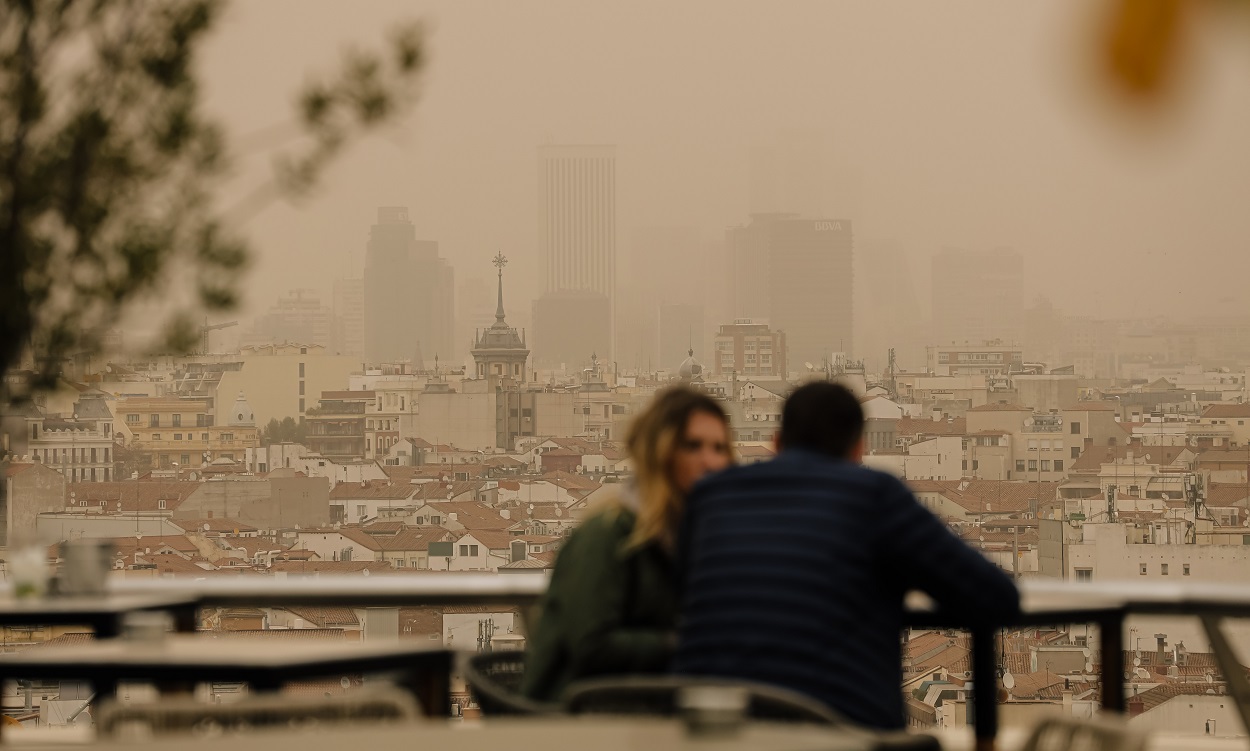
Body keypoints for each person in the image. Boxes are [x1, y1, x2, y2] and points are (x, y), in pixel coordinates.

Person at [673, 381, 1019, 731]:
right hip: (840, 729)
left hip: (713, 729)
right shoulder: (874, 496)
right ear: (858, 451)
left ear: (776, 443)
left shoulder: (710, 497)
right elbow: (996, 595)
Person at [521, 386, 733, 702]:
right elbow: (591, 646)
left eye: (719, 448)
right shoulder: (607, 535)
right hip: (576, 718)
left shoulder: (693, 538)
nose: (710, 462)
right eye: (692, 446)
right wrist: (680, 643)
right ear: (660, 453)